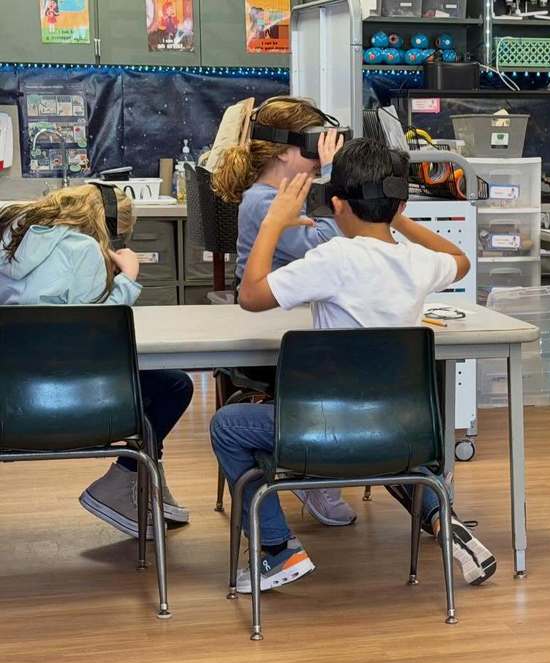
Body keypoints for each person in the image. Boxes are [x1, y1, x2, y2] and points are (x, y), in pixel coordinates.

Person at [210, 138, 498, 594]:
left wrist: (272, 224)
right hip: (402, 430)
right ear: (399, 202)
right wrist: (399, 220)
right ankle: (442, 518)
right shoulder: (418, 262)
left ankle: (275, 549)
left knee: (229, 425)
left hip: (326, 430)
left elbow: (250, 296)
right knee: (379, 432)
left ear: (337, 204)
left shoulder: (332, 259)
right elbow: (460, 262)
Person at [0, 184, 193, 538]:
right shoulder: (83, 250)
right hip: (72, 403)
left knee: (161, 383)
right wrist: (129, 278)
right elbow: (99, 336)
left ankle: (141, 486)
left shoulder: (8, 240)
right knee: (174, 385)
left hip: (11, 408)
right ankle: (127, 479)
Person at [212, 95, 355, 527]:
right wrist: (332, 181)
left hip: (296, 319)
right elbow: (328, 243)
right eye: (310, 149)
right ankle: (314, 471)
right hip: (273, 326)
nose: (316, 159)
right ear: (280, 151)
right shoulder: (263, 201)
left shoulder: (285, 195)